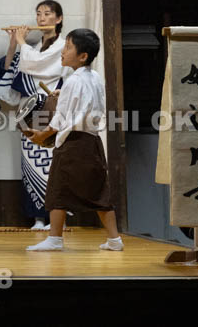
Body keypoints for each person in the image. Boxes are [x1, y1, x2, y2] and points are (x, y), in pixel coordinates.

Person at [23, 28, 122, 252]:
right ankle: (115, 240)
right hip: (92, 142)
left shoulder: (71, 82)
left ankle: (55, 239)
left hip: (73, 143)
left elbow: (61, 118)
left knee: (58, 188)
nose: (63, 51)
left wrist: (42, 135)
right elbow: (86, 101)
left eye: (68, 47)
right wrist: (62, 95)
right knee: (99, 191)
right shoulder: (93, 77)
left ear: (82, 56)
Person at [0, 0, 66, 231]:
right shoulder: (33, 48)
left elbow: (39, 66)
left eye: (47, 14)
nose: (42, 18)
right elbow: (12, 67)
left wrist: (22, 41)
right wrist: (14, 44)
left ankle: (56, 218)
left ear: (59, 19)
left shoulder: (63, 45)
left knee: (52, 163)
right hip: (30, 108)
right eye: (38, 14)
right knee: (30, 162)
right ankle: (37, 217)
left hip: (52, 105)